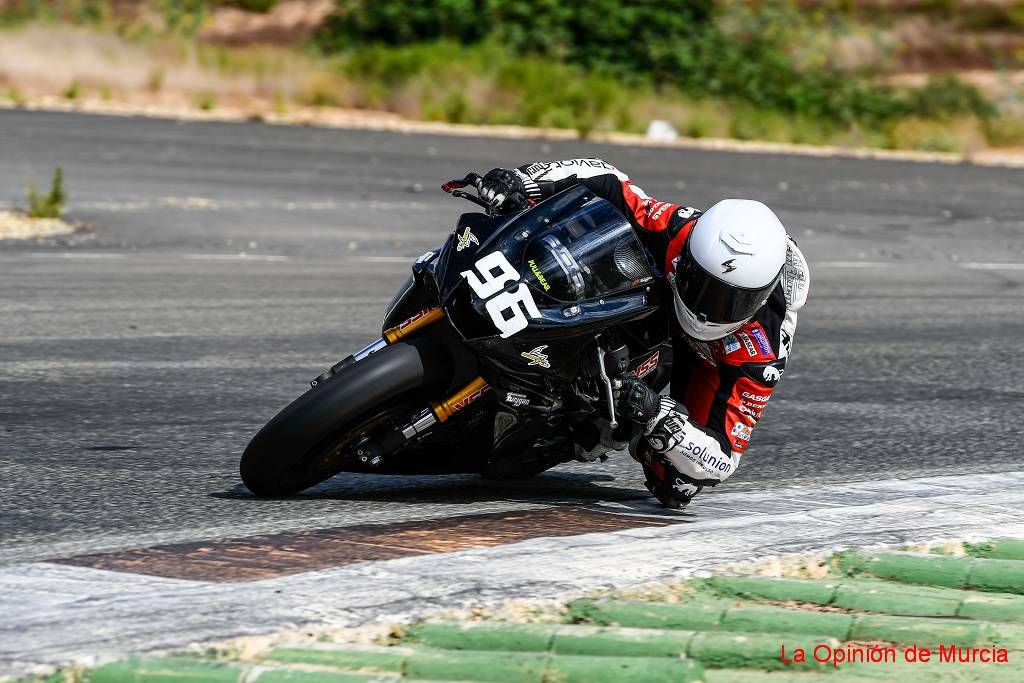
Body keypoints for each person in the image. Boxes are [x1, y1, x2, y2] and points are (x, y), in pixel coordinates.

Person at [475, 159, 810, 509]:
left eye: (731, 300)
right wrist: (524, 180)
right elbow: (609, 180)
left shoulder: (763, 350)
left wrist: (657, 417)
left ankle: (595, 427)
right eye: (703, 284)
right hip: (663, 293)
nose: (709, 307)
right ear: (690, 256)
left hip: (709, 361)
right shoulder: (680, 231)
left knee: (676, 485)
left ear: (759, 298)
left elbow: (724, 459)